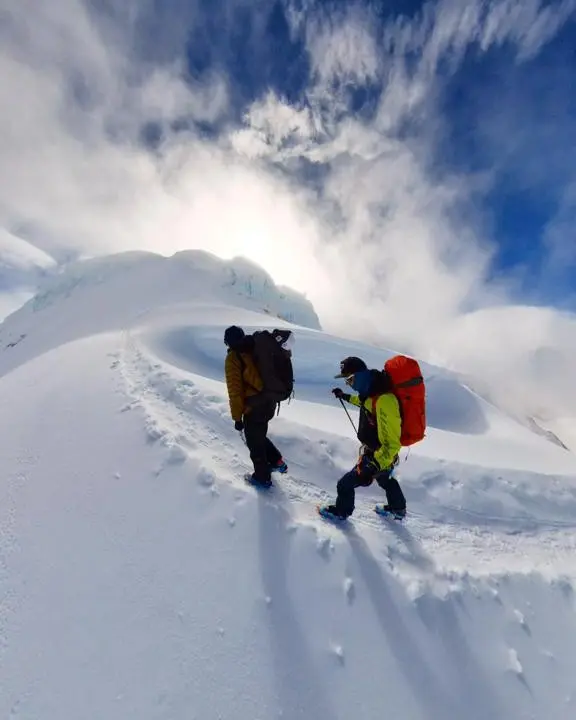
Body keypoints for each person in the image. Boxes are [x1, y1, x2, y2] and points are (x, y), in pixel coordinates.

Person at [319, 356, 407, 519]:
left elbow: (393, 443)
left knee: (345, 484)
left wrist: (374, 465)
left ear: (361, 376)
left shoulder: (385, 401)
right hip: (379, 455)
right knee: (385, 480)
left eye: (350, 380)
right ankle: (398, 509)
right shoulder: (372, 394)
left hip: (378, 456)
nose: (349, 385)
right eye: (347, 381)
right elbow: (364, 403)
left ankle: (342, 512)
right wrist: (344, 396)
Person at [224, 325, 289, 486]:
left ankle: (262, 477)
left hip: (254, 406)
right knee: (258, 433)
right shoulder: (254, 346)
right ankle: (276, 461)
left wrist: (237, 417)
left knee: (253, 440)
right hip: (269, 400)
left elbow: (235, 391)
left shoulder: (234, 358)